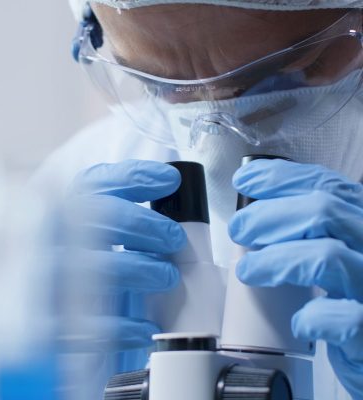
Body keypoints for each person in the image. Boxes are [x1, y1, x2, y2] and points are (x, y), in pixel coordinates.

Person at [33, 1, 363, 399]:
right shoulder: (83, 185)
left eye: (285, 70)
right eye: (160, 84)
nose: (217, 149)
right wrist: (34, 366)